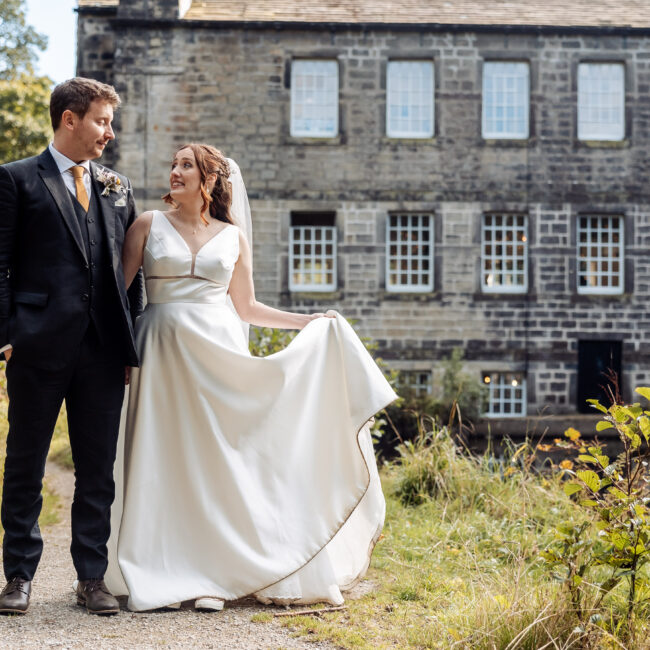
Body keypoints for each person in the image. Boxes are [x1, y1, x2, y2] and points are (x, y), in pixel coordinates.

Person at [105, 143, 396, 612]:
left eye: (186, 166)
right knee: (165, 458)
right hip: (158, 351)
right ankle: (166, 567)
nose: (175, 172)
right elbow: (117, 297)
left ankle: (217, 577)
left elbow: (247, 308)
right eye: (174, 164)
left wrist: (309, 323)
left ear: (210, 180)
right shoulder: (146, 225)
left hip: (219, 355)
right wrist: (117, 353)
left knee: (219, 460)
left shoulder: (232, 236)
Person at [0, 78, 144, 616]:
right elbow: (0, 265)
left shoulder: (116, 186)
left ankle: (91, 577)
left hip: (103, 351)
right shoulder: (16, 179)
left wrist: (129, 345)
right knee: (25, 462)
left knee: (97, 469)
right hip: (36, 346)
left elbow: (132, 277)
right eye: (102, 120)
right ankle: (18, 575)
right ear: (69, 119)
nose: (109, 132)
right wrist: (8, 338)